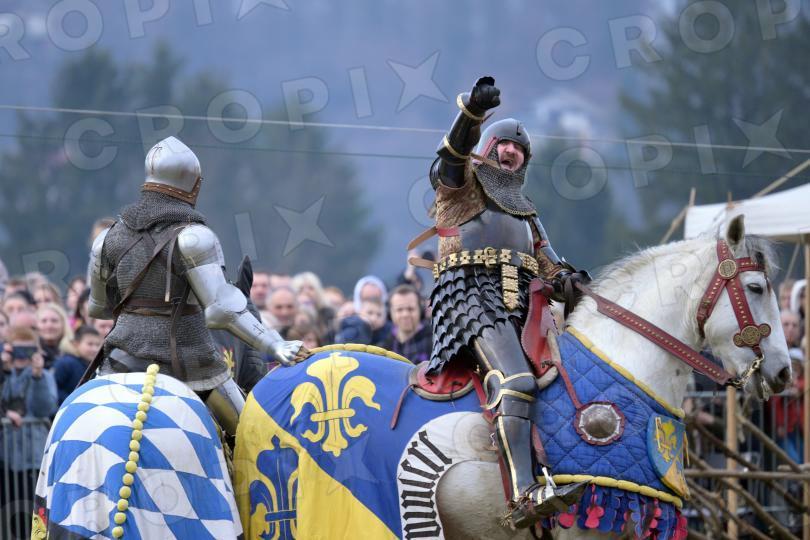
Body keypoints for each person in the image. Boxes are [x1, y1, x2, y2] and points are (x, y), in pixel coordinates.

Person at [421, 76, 590, 527]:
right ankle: (523, 497)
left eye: (520, 149)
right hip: (469, 296)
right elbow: (451, 158)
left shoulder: (526, 211)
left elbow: (548, 262)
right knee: (515, 381)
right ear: (488, 147)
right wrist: (471, 114)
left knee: (562, 384)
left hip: (521, 309)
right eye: (505, 143)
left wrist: (570, 280)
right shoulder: (462, 186)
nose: (512, 151)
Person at [86, 136, 307, 439]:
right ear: (194, 186)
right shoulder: (194, 237)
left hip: (120, 362)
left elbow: (98, 308)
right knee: (253, 439)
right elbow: (221, 311)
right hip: (191, 363)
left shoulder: (106, 238)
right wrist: (275, 345)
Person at [0, 326, 58, 535]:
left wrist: (37, 375)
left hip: (33, 459)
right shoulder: (3, 372)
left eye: (27, 349)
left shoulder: (44, 375)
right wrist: (3, 369)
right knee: (7, 516)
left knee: (32, 514)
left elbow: (44, 408)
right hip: (6, 458)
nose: (22, 355)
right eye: (17, 349)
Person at [53, 326, 102, 405]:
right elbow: (54, 389)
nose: (95, 349)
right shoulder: (65, 363)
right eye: (90, 344)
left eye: (97, 345)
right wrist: (72, 402)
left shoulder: (95, 366)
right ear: (76, 344)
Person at [384, 284, 431, 363]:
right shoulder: (384, 348)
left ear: (421, 310)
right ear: (390, 313)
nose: (405, 314)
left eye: (410, 309)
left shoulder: (436, 343)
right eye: (399, 309)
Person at [36, 303, 75, 369]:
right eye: (44, 321)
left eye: (54, 321)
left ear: (63, 325)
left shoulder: (74, 353)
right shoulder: (31, 354)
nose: (49, 325)